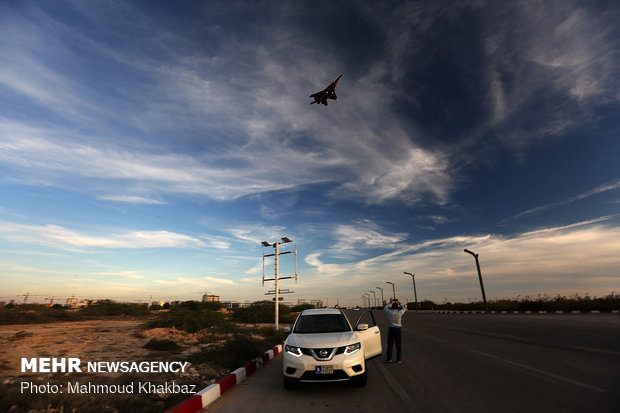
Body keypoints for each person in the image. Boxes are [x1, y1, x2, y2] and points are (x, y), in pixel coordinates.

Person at [384, 297, 407, 363]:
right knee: (398, 345)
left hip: (391, 329)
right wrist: (399, 302)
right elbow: (404, 308)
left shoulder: (389, 312)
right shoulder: (400, 312)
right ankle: (399, 359)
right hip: (398, 329)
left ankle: (389, 359)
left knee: (390, 344)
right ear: (397, 307)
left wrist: (390, 302)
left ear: (392, 306)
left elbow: (385, 307)